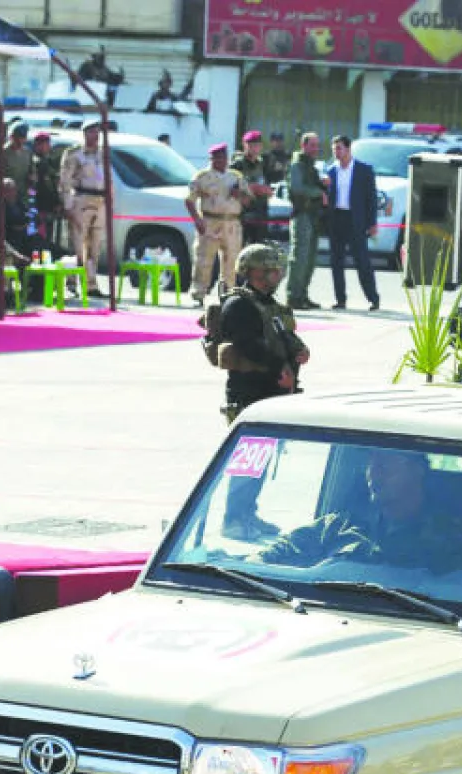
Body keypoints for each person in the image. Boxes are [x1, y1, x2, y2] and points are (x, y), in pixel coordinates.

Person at [212, 244, 310, 538]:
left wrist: (298, 352)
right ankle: (234, 520)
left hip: (272, 392)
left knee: (261, 461)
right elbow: (249, 345)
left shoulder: (268, 305)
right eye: (269, 269)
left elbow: (283, 336)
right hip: (250, 394)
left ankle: (247, 515)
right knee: (249, 462)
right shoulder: (239, 306)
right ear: (253, 271)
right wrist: (278, 368)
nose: (276, 275)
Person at [258, 449, 462, 568]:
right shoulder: (339, 526)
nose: (373, 474)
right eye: (370, 464)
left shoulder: (451, 541)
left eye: (384, 465)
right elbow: (283, 550)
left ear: (417, 471)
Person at [187, 143, 249, 303]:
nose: (221, 160)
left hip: (231, 222)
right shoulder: (202, 176)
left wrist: (239, 194)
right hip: (210, 220)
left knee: (231, 260)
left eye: (223, 157)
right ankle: (198, 293)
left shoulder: (236, 176)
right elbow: (189, 200)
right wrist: (197, 220)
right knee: (204, 259)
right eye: (217, 158)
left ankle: (228, 293)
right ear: (212, 159)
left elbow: (248, 200)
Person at [324, 135, 380, 310]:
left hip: (355, 220)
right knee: (336, 261)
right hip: (337, 218)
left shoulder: (364, 170)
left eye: (339, 148)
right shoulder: (331, 171)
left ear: (348, 149)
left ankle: (373, 298)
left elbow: (371, 199)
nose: (336, 152)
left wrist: (372, 223)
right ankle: (340, 299)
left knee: (362, 260)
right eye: (334, 149)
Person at [59, 119, 109, 298]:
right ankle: (72, 282)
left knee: (95, 245)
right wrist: (67, 205)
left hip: (99, 200)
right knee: (78, 245)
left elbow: (108, 179)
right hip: (81, 199)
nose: (95, 135)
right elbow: (65, 181)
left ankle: (91, 284)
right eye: (92, 131)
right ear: (85, 133)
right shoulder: (74, 154)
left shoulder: (103, 154)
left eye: (97, 132)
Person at [284, 132, 327, 310]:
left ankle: (302, 294)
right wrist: (319, 192)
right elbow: (297, 187)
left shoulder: (311, 167)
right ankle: (293, 296)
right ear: (304, 145)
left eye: (317, 145)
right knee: (299, 258)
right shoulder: (297, 166)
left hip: (313, 216)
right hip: (302, 215)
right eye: (312, 145)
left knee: (310, 259)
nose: (316, 149)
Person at [231, 130, 274, 245]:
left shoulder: (263, 164)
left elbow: (268, 186)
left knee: (258, 249)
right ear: (245, 145)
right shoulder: (237, 165)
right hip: (242, 215)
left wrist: (267, 191)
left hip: (260, 214)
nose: (255, 148)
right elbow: (230, 188)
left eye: (257, 145)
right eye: (251, 145)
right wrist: (251, 188)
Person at [0, 122, 34, 204]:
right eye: (18, 137)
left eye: (23, 137)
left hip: (23, 198)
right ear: (11, 137)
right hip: (5, 199)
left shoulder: (27, 153)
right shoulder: (0, 154)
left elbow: (32, 174)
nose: (21, 140)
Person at [30, 131, 63, 252]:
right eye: (44, 144)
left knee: (47, 239)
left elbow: (54, 184)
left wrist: (57, 203)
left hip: (49, 208)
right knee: (39, 240)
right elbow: (42, 187)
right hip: (39, 208)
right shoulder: (35, 163)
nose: (48, 146)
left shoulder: (49, 162)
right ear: (38, 145)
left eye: (48, 143)